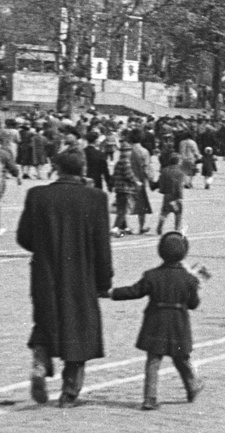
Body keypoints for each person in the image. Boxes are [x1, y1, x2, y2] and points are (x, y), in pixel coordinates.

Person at [18, 150, 114, 407]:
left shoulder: (37, 195)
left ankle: (40, 361)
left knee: (46, 318)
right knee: (79, 327)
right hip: (81, 274)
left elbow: (24, 237)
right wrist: (104, 282)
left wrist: (46, 246)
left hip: (44, 271)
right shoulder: (96, 198)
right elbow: (102, 246)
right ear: (83, 169)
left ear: (56, 167)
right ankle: (69, 392)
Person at [104, 232, 203, 410]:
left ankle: (149, 398)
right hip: (178, 323)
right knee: (182, 359)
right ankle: (192, 387)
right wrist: (196, 287)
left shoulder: (152, 275)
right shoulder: (189, 279)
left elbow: (134, 291)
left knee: (153, 361)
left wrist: (111, 293)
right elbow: (194, 304)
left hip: (156, 321)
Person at [154, 152, 185, 235]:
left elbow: (161, 182)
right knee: (178, 213)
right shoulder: (180, 172)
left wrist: (162, 190)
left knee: (164, 212)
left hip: (167, 195)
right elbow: (179, 185)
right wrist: (180, 195)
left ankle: (160, 225)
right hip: (176, 196)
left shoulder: (165, 170)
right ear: (178, 161)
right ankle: (177, 228)